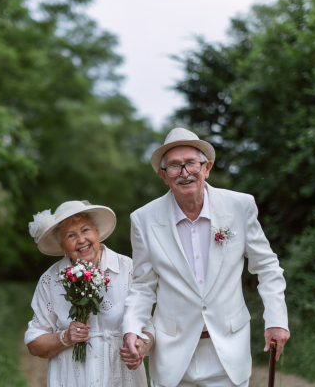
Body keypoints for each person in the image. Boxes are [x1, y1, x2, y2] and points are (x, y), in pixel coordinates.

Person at [120, 128, 290, 387]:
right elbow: (143, 287)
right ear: (163, 176)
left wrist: (276, 320)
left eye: (191, 163)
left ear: (207, 167)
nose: (184, 173)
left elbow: (267, 267)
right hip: (172, 356)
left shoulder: (240, 206)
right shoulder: (143, 219)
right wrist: (131, 328)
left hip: (229, 352)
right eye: (174, 167)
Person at [25, 200, 154, 387]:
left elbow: (149, 326)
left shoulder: (128, 268)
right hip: (73, 379)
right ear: (62, 247)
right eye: (71, 235)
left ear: (97, 232)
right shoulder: (50, 279)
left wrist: (142, 346)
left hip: (121, 377)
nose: (81, 240)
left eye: (85, 230)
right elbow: (34, 344)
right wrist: (65, 338)